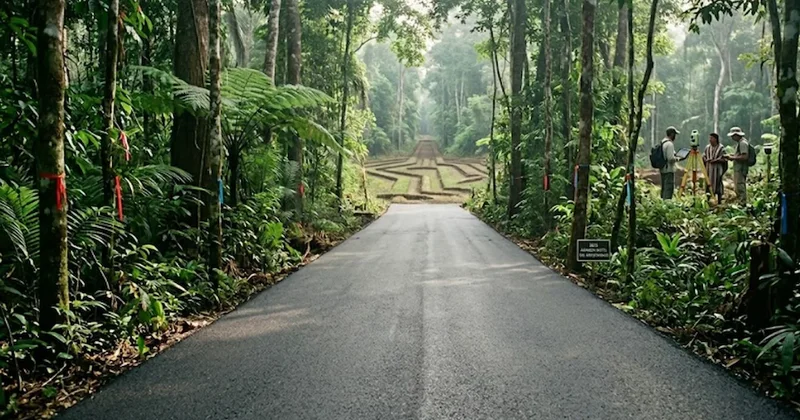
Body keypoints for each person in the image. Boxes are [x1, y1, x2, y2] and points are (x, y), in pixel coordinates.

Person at [726, 127, 749, 205]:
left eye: (733, 136)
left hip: (741, 169)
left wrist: (732, 157)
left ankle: (743, 204)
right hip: (738, 169)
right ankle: (741, 203)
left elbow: (744, 156)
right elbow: (740, 155)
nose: (732, 138)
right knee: (737, 187)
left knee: (740, 187)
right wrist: (732, 155)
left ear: (736, 135)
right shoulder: (740, 143)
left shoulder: (743, 143)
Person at [703, 133, 727, 203]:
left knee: (718, 183)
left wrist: (716, 160)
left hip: (717, 169)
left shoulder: (721, 148)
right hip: (709, 169)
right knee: (708, 183)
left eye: (711, 138)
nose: (710, 140)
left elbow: (724, 159)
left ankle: (719, 201)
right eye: (709, 138)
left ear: (715, 139)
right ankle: (708, 200)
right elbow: (704, 155)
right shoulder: (707, 147)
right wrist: (705, 159)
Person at [660, 126, 680, 199]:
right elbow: (670, 159)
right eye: (674, 134)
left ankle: (662, 205)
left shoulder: (663, 142)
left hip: (662, 169)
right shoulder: (670, 144)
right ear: (672, 134)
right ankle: (667, 205)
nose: (675, 137)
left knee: (664, 188)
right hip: (668, 170)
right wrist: (678, 159)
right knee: (668, 189)